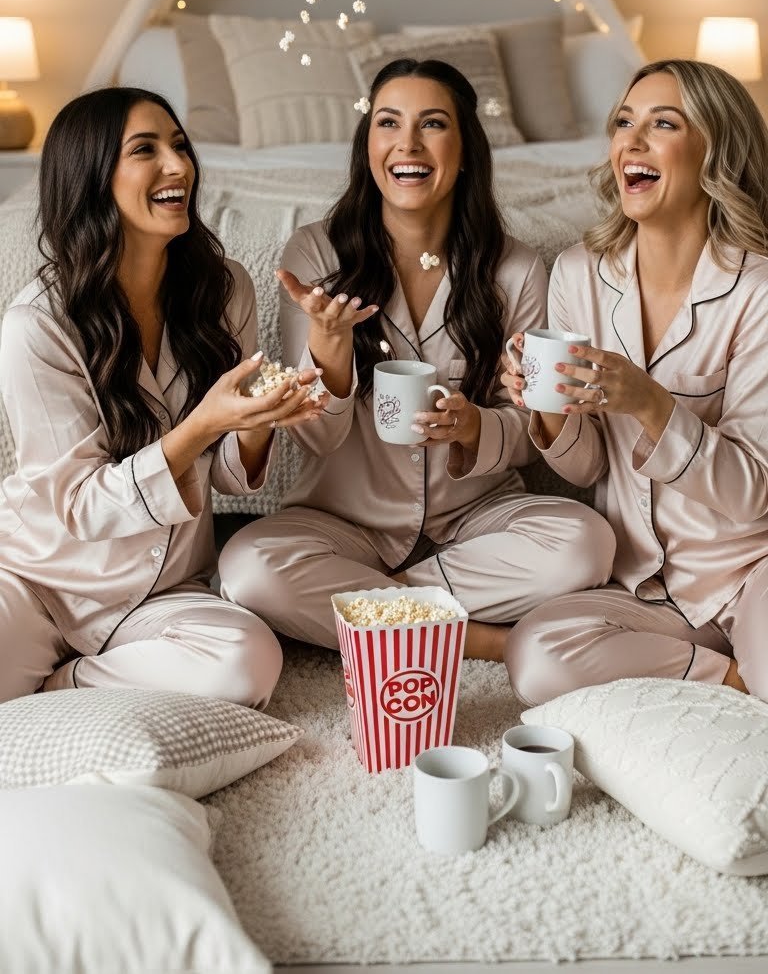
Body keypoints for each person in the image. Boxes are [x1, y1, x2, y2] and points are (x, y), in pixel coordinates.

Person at [219, 59, 614, 658]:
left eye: (432, 124)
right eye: (388, 123)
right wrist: (328, 343)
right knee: (248, 568)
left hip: (476, 517)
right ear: (368, 143)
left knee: (585, 543)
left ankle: (372, 615)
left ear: (464, 148)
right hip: (341, 520)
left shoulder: (517, 267)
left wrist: (475, 425)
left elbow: (529, 426)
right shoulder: (315, 253)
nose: (407, 144)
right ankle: (478, 641)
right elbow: (316, 440)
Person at [0, 86, 326, 705]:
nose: (179, 166)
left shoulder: (224, 290)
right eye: (145, 150)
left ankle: (62, 687)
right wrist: (202, 425)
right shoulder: (38, 327)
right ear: (93, 177)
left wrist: (259, 419)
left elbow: (228, 476)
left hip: (163, 592)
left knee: (248, 661)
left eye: (179, 145)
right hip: (39, 582)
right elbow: (82, 508)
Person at [503, 58, 768, 703]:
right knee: (537, 656)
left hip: (749, 571)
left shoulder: (757, 291)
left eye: (663, 124)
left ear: (716, 153)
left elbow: (756, 493)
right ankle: (730, 680)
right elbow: (588, 467)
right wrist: (547, 409)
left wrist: (652, 404)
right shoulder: (576, 274)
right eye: (624, 121)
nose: (632, 141)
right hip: (643, 585)